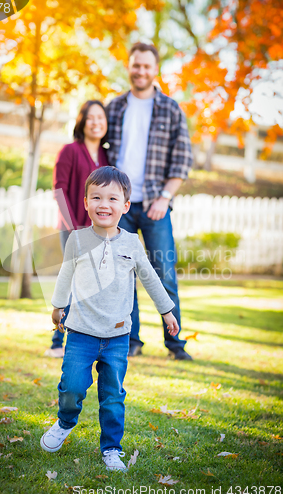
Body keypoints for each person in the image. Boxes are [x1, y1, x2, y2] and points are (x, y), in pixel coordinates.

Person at [40, 167, 179, 470]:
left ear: (125, 206)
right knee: (73, 386)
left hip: (118, 337)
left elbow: (151, 280)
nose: (104, 204)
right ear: (86, 202)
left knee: (113, 396)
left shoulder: (131, 243)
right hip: (80, 332)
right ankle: (65, 422)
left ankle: (111, 449)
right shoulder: (77, 240)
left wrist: (166, 311)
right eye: (97, 197)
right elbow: (65, 275)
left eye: (113, 198)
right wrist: (58, 306)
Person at [106, 42, 193, 360]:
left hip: (156, 205)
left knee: (163, 272)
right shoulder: (114, 107)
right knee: (121, 275)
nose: (140, 71)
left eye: (146, 66)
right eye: (136, 65)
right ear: (128, 67)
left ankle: (175, 345)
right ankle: (131, 341)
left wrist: (165, 197)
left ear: (155, 69)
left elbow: (182, 160)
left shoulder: (171, 109)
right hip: (121, 207)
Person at [44, 100, 108, 358]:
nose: (96, 122)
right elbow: (59, 192)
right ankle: (57, 342)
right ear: (82, 121)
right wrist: (72, 228)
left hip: (99, 231)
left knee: (93, 286)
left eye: (100, 118)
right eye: (90, 117)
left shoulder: (106, 156)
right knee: (69, 282)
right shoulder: (69, 151)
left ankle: (87, 342)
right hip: (73, 229)